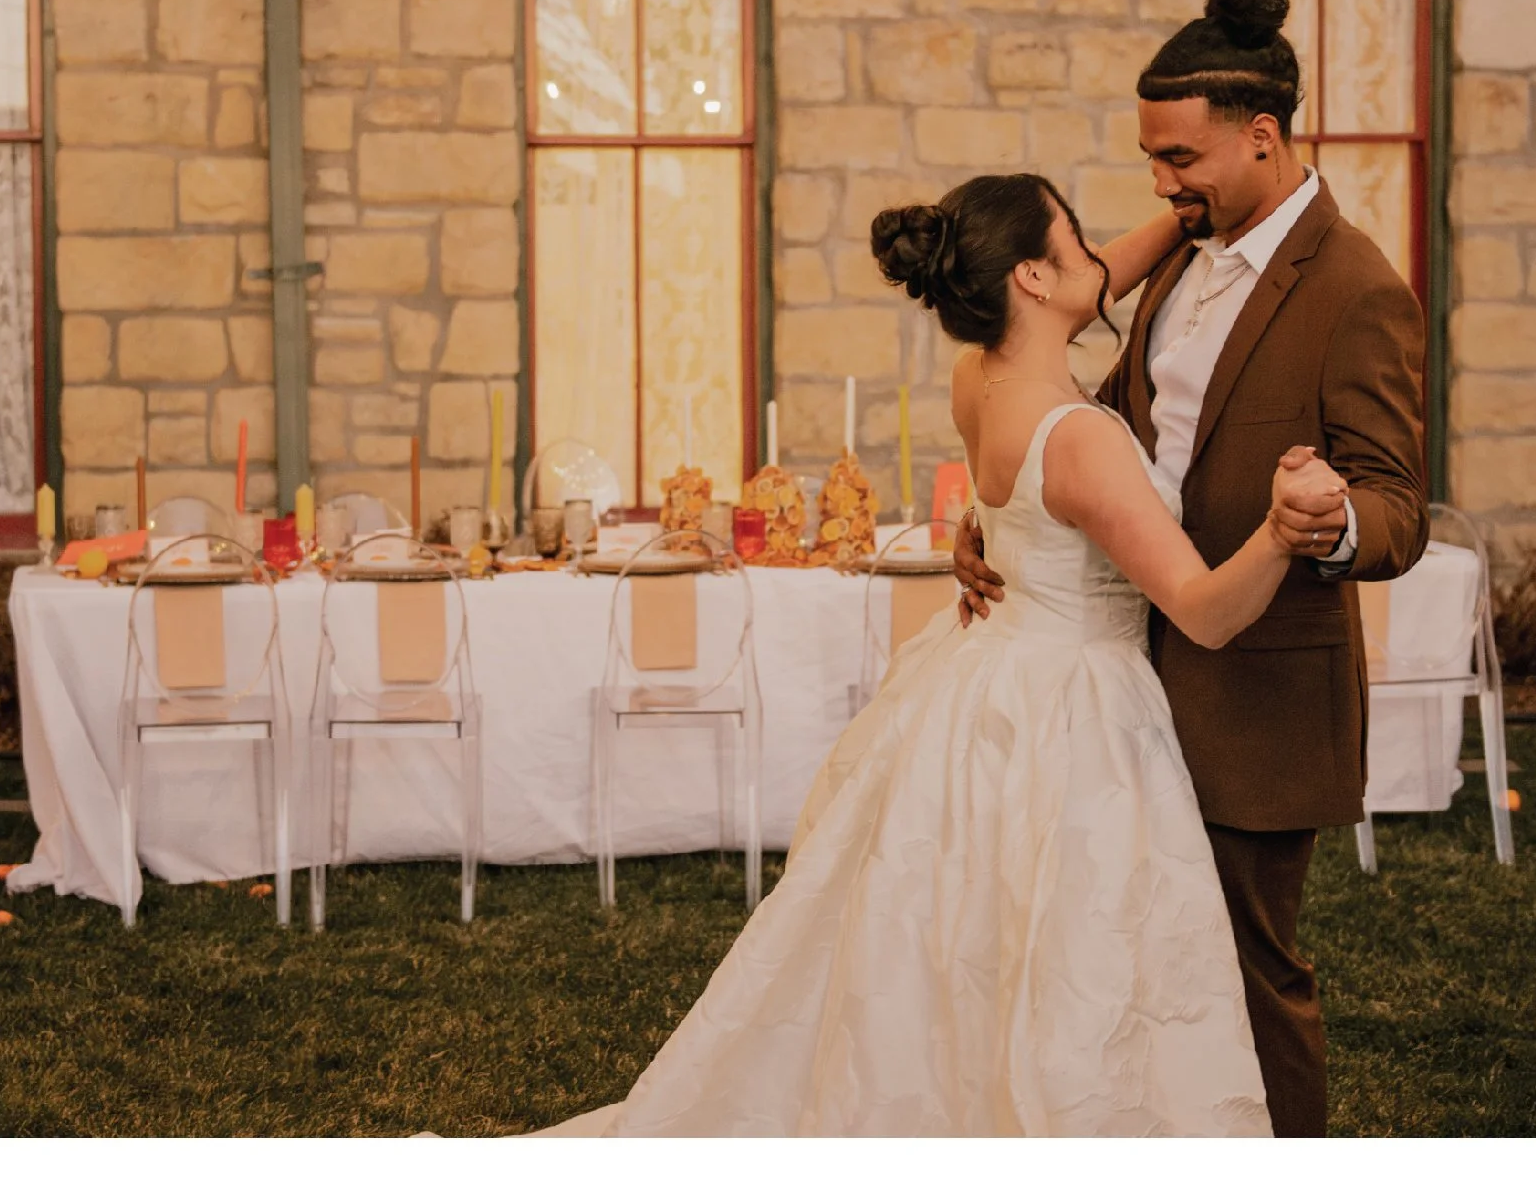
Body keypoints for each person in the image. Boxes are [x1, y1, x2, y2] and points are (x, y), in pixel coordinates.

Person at [540, 167, 1345, 1136]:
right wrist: (1282, 528)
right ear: (1033, 280)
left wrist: (1181, 213)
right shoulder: (1082, 440)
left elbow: (1095, 282)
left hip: (985, 683)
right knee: (1063, 954)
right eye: (1077, 240)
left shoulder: (979, 379)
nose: (1105, 255)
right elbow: (1206, 613)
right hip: (1075, 714)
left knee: (963, 937)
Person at [953, 0, 1429, 1137]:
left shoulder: (1359, 289)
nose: (1160, 186)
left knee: (1246, 980)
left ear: (1261, 138)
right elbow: (1107, 416)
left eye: (1178, 161)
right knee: (1133, 967)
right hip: (1122, 680)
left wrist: (1331, 522)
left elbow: (1400, 507)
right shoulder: (1180, 251)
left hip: (1254, 690)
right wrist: (1003, 523)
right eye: (1149, 160)